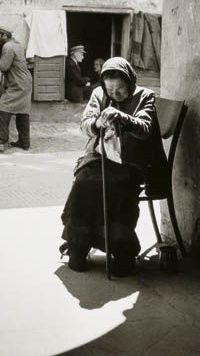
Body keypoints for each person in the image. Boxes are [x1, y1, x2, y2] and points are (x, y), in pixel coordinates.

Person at [60, 57, 168, 276]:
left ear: (130, 82)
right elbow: (85, 124)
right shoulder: (99, 94)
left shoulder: (144, 96)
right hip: (100, 157)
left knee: (118, 185)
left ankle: (121, 250)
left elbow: (145, 128)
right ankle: (78, 247)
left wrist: (123, 117)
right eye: (110, 89)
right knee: (84, 182)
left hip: (131, 161)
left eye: (120, 88)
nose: (115, 94)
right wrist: (99, 122)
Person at [0, 25, 32, 150]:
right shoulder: (17, 45)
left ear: (4, 35)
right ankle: (24, 142)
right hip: (25, 82)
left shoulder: (8, 47)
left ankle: (2, 137)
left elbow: (3, 66)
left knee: (2, 108)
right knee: (22, 112)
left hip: (18, 83)